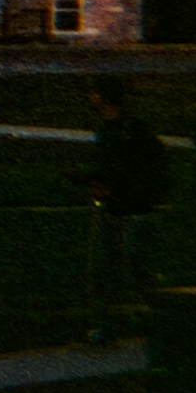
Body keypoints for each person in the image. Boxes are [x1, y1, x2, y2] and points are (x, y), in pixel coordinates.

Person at [76, 77, 168, 344]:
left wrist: (112, 182)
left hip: (131, 209)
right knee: (106, 271)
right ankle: (108, 325)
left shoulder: (129, 130)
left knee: (135, 270)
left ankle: (153, 318)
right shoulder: (111, 129)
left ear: (104, 98)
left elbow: (141, 166)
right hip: (115, 209)